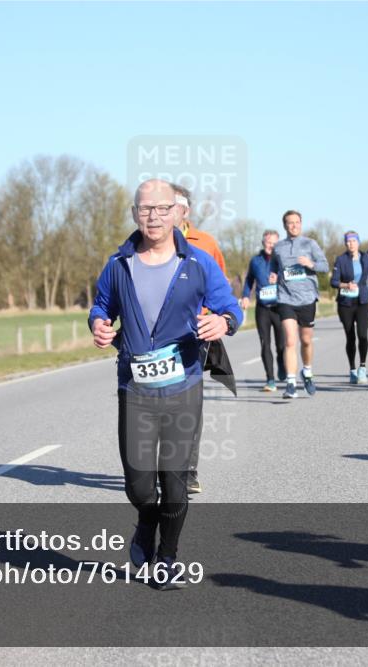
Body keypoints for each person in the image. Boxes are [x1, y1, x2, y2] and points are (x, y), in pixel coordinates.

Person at [89, 179, 241, 588]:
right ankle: (144, 524)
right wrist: (99, 325)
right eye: (144, 209)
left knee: (175, 482)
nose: (152, 216)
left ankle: (167, 557)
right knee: (140, 486)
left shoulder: (197, 262)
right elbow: (101, 305)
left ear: (177, 212)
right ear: (135, 213)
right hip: (135, 389)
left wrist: (222, 321)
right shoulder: (119, 263)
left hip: (183, 386)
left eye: (161, 208)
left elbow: (231, 309)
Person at [170, 183, 227, 495]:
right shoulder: (145, 244)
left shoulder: (205, 243)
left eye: (174, 204)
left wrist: (219, 318)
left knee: (189, 403)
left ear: (186, 210)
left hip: (194, 333)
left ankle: (188, 470)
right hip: (155, 336)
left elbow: (221, 289)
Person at [269, 210, 329, 399]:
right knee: (289, 340)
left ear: (301, 224)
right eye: (290, 223)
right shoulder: (278, 247)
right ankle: (291, 383)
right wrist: (272, 275)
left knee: (306, 341)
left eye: (297, 222)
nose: (294, 225)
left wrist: (311, 264)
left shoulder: (310, 244)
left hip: (307, 299)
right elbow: (273, 267)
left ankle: (308, 372)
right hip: (285, 298)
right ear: (284, 225)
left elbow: (325, 266)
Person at [330, 231, 368, 383]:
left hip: (363, 301)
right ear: (345, 244)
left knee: (363, 335)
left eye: (353, 241)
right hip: (346, 303)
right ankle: (352, 369)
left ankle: (362, 368)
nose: (350, 244)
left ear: (358, 242)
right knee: (350, 337)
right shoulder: (341, 260)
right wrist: (346, 285)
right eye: (348, 241)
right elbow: (334, 282)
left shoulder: (366, 258)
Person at [240, 230, 286, 391]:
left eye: (274, 243)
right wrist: (246, 296)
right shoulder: (255, 261)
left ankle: (281, 362)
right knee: (265, 344)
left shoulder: (283, 260)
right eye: (268, 242)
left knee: (281, 345)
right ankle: (270, 380)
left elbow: (293, 278)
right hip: (262, 309)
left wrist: (279, 278)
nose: (271, 245)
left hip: (280, 307)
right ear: (263, 243)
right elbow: (249, 280)